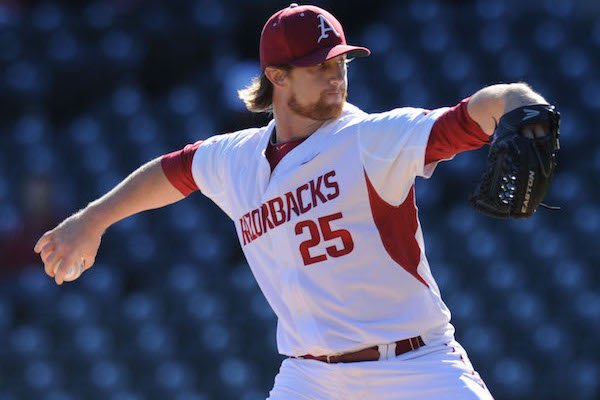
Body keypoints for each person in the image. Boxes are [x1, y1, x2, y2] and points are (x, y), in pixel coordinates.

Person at [35, 3, 552, 399]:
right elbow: (171, 172)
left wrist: (519, 103)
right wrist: (93, 220)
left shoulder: (368, 139)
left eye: (339, 62)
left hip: (416, 367)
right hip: (310, 377)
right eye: (317, 66)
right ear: (276, 76)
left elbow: (472, 115)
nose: (335, 75)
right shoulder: (234, 158)